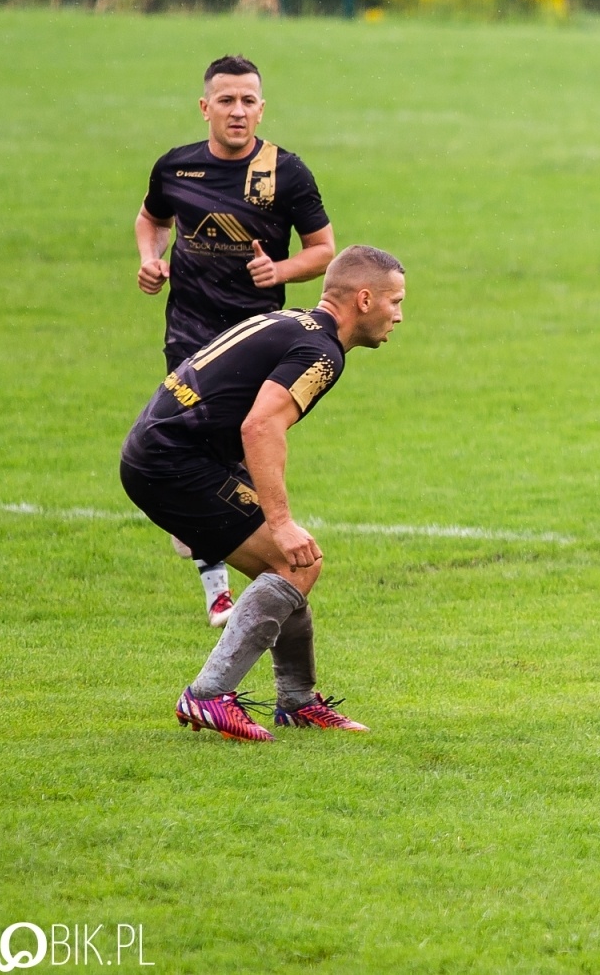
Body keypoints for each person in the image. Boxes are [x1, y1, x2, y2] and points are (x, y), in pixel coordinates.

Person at [120, 246, 405, 742]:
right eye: (395, 301)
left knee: (290, 568)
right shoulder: (322, 353)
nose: (399, 315)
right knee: (295, 561)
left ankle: (297, 702)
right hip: (175, 460)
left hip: (164, 449)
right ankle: (208, 695)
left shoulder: (293, 322)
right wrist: (279, 521)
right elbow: (260, 426)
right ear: (364, 299)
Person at [134, 53, 337, 626]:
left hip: (254, 346)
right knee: (210, 457)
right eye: (226, 100)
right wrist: (150, 260)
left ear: (262, 107)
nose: (238, 111)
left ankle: (201, 542)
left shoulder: (286, 173)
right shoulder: (176, 169)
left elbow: (324, 251)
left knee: (232, 460)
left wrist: (281, 272)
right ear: (205, 108)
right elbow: (151, 219)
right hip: (191, 341)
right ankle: (218, 591)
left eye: (249, 100)